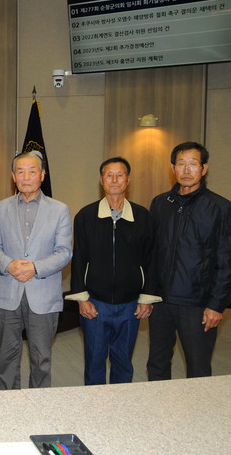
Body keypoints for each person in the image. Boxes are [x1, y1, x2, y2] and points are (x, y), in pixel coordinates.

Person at [147, 142, 231, 380]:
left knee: (198, 369)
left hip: (197, 303)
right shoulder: (160, 203)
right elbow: (151, 253)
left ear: (204, 168)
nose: (186, 170)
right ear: (173, 168)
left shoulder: (221, 208)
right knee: (157, 363)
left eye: (193, 164)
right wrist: (147, 295)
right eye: (181, 164)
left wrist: (217, 305)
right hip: (161, 302)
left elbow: (227, 262)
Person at [68, 157, 156, 385]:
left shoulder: (143, 216)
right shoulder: (86, 216)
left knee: (123, 361)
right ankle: (95, 404)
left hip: (130, 305)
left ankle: (121, 404)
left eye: (120, 175)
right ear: (101, 180)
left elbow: (151, 259)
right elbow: (79, 259)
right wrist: (82, 299)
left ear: (128, 180)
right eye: (109, 175)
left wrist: (147, 298)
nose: (114, 180)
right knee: (94, 360)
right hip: (95, 304)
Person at [0, 151, 72, 389]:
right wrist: (9, 264)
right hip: (8, 293)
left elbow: (64, 252)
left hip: (43, 295)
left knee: (41, 359)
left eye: (32, 171)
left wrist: (35, 268)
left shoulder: (59, 210)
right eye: (21, 172)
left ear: (43, 175)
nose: (26, 177)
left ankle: (39, 405)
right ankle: (8, 403)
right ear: (13, 176)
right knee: (7, 358)